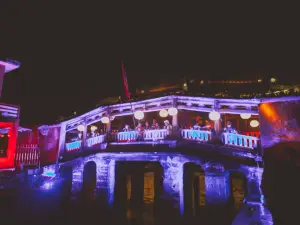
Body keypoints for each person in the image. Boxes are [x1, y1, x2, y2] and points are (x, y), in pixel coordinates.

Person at [262, 142, 300, 225]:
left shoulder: (274, 170)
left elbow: (265, 186)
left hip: (280, 205)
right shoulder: (293, 171)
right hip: (288, 206)